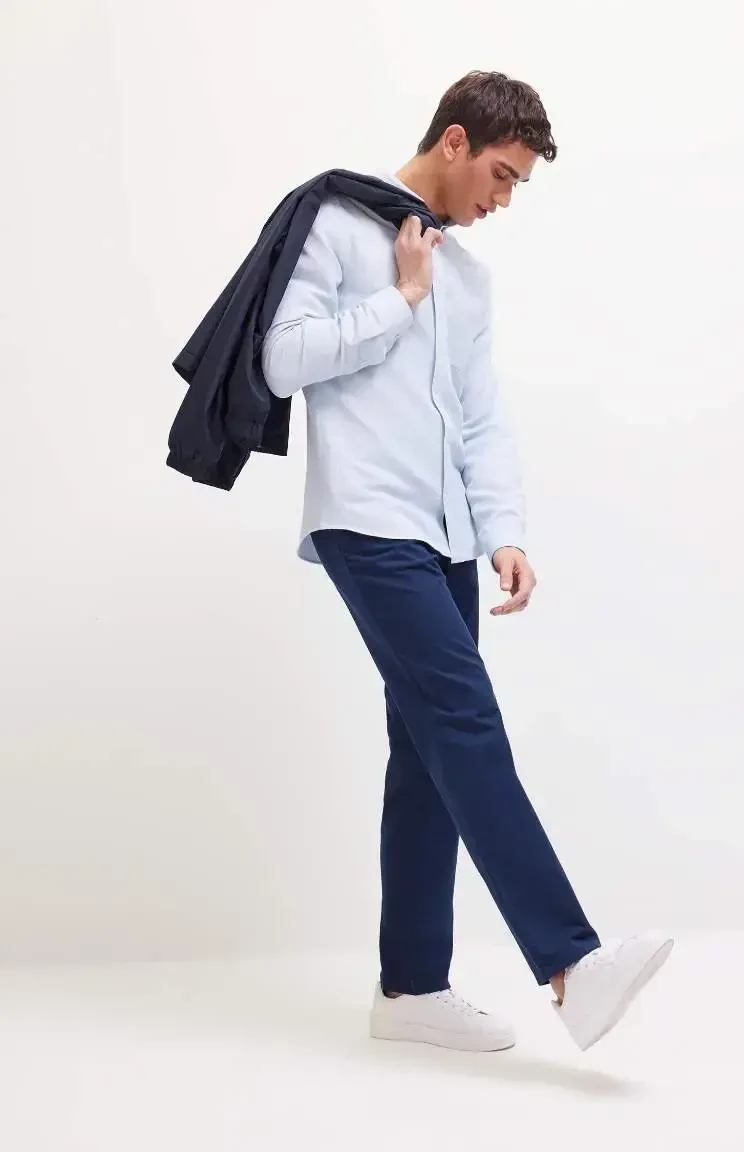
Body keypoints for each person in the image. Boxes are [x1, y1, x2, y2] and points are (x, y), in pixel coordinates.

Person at [260, 70, 672, 1054]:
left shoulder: (472, 277)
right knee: (464, 719)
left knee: (426, 751)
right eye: (501, 175)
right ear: (454, 142)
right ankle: (570, 966)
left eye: (518, 183)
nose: (505, 199)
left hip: (445, 535)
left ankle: (410, 988)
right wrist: (399, 300)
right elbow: (282, 359)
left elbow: (480, 418)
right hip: (368, 519)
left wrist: (504, 531)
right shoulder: (337, 225)